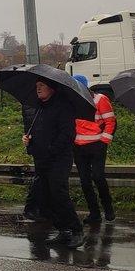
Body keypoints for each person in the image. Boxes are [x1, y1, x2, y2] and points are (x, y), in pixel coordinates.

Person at [21, 78, 84, 248]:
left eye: (41, 86)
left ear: (51, 88)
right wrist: (28, 140)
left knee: (59, 194)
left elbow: (67, 134)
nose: (38, 89)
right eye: (36, 86)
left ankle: (76, 230)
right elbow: (36, 130)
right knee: (45, 197)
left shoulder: (63, 107)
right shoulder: (39, 107)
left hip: (59, 159)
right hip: (41, 159)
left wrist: (51, 149)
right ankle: (63, 230)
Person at [71, 75, 117, 224]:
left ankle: (108, 208)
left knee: (98, 177)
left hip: (97, 145)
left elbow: (110, 121)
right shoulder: (72, 101)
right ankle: (94, 213)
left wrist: (104, 141)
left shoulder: (100, 99)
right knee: (85, 181)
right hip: (78, 147)